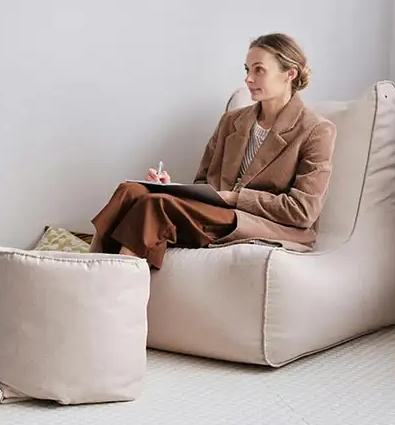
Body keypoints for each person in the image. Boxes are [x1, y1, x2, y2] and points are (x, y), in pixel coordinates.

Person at [90, 33, 337, 267]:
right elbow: (203, 182)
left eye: (259, 70)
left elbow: (303, 211)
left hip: (265, 224)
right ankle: (90, 273)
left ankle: (107, 287)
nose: (248, 79)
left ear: (289, 75)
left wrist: (236, 198)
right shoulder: (231, 122)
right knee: (130, 191)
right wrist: (172, 189)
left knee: (155, 206)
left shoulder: (316, 130)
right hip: (215, 212)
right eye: (247, 70)